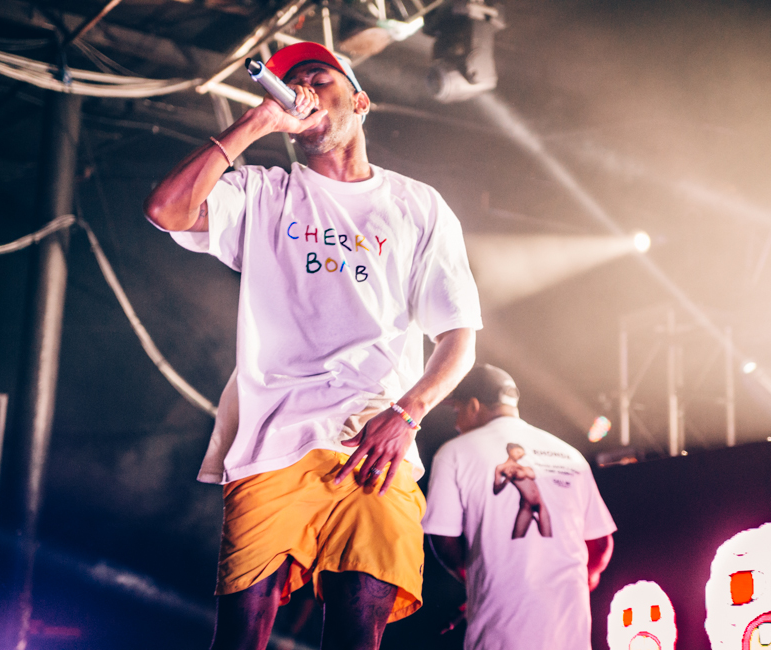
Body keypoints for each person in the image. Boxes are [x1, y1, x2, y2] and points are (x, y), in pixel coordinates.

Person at [143, 41, 482, 650]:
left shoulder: (417, 206)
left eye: (319, 78)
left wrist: (408, 413)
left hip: (372, 443)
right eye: (289, 81)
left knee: (357, 635)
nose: (302, 89)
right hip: (273, 440)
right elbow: (167, 209)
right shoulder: (262, 193)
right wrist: (257, 121)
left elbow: (460, 338)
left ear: (360, 101)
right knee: (240, 638)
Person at [423, 364, 615, 650]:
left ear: (474, 406)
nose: (456, 423)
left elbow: (442, 539)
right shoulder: (571, 456)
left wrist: (475, 576)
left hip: (500, 637)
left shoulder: (455, 452)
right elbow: (599, 545)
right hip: (570, 637)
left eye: (457, 411)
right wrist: (585, 578)